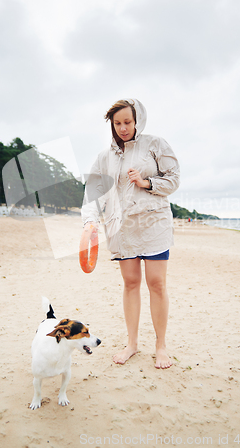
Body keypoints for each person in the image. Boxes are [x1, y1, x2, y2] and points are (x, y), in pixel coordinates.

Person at [81, 99, 180, 369]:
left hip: (153, 223)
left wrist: (146, 182)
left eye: (128, 122)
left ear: (137, 121)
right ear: (111, 125)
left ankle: (161, 346)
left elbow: (174, 179)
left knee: (157, 284)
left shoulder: (155, 145)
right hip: (122, 227)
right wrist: (89, 223)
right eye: (117, 123)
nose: (123, 128)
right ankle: (132, 344)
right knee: (131, 283)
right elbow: (93, 194)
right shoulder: (105, 157)